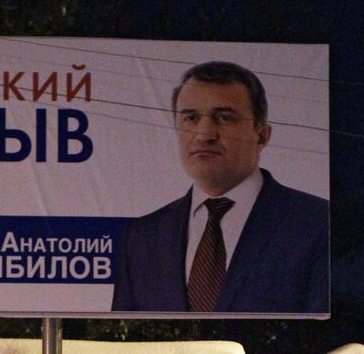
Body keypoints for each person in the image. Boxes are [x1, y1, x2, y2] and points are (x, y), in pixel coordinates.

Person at [111, 61, 329, 314]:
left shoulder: (317, 223)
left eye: (224, 118)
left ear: (262, 135)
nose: (204, 134)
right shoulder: (142, 237)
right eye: (191, 118)